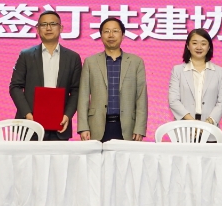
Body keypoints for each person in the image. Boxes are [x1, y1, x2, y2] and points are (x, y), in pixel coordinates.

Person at [9, 10, 82, 140]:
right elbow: (15, 87)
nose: (48, 28)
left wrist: (67, 115)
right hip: (30, 124)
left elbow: (77, 90)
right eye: (43, 24)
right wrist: (27, 114)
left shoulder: (73, 57)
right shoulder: (26, 55)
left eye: (53, 24)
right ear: (37, 29)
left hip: (60, 124)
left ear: (61, 28)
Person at [77, 17, 148, 142]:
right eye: (106, 31)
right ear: (101, 35)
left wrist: (140, 128)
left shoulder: (136, 62)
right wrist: (83, 127)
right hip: (96, 126)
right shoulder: (90, 62)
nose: (111, 35)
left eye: (115, 31)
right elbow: (83, 96)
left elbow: (141, 97)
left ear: (123, 35)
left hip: (128, 127)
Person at [168, 28, 222, 142]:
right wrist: (193, 123)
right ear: (188, 46)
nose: (199, 47)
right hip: (184, 130)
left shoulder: (219, 71)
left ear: (209, 47)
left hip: (210, 130)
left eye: (203, 44)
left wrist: (207, 124)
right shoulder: (178, 70)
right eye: (194, 43)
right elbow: (173, 101)